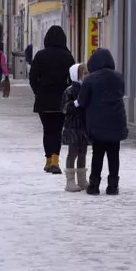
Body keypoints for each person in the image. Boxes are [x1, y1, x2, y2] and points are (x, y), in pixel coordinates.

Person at [76, 48, 127, 195]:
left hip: (97, 123)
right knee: (114, 155)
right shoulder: (118, 77)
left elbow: (82, 100)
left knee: (97, 155)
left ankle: (94, 185)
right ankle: (113, 186)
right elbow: (121, 93)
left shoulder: (90, 79)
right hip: (116, 122)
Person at [29, 26, 74, 175]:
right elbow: (73, 79)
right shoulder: (68, 56)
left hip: (44, 100)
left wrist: (38, 91)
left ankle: (48, 160)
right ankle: (55, 159)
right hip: (61, 100)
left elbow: (33, 77)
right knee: (57, 130)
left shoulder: (40, 55)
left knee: (47, 130)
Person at [61, 63, 89, 192]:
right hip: (72, 126)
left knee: (83, 152)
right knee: (72, 152)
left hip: (84, 126)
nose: (85, 76)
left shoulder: (87, 89)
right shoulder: (69, 91)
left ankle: (82, 180)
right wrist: (75, 104)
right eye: (83, 74)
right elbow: (64, 108)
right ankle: (70, 181)